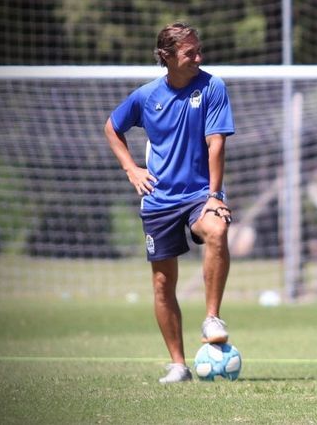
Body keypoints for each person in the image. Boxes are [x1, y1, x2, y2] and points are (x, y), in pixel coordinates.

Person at [104, 22, 236, 384]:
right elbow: (112, 128)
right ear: (167, 57)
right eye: (190, 53)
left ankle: (212, 318)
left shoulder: (212, 87)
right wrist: (131, 169)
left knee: (217, 230)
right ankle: (178, 365)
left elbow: (216, 144)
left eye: (199, 50)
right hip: (159, 199)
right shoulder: (146, 96)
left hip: (199, 194)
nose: (199, 58)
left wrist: (214, 195)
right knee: (163, 284)